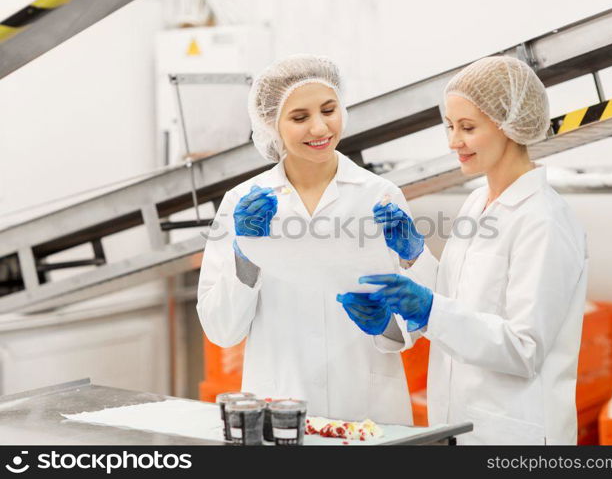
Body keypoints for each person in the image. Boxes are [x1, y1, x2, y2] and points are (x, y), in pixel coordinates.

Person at [347, 56, 589, 444]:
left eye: (467, 128)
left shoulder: (544, 220)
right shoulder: (477, 202)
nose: (453, 142)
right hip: (458, 426)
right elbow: (455, 303)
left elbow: (523, 349)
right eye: (450, 126)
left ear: (510, 126)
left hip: (514, 435)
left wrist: (427, 307)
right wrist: (413, 258)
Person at [196, 54, 437, 425]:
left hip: (367, 405)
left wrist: (409, 270)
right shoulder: (242, 204)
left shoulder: (379, 194)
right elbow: (222, 331)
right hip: (280, 404)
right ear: (270, 124)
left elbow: (425, 317)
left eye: (329, 109)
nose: (320, 127)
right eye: (299, 117)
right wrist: (245, 256)